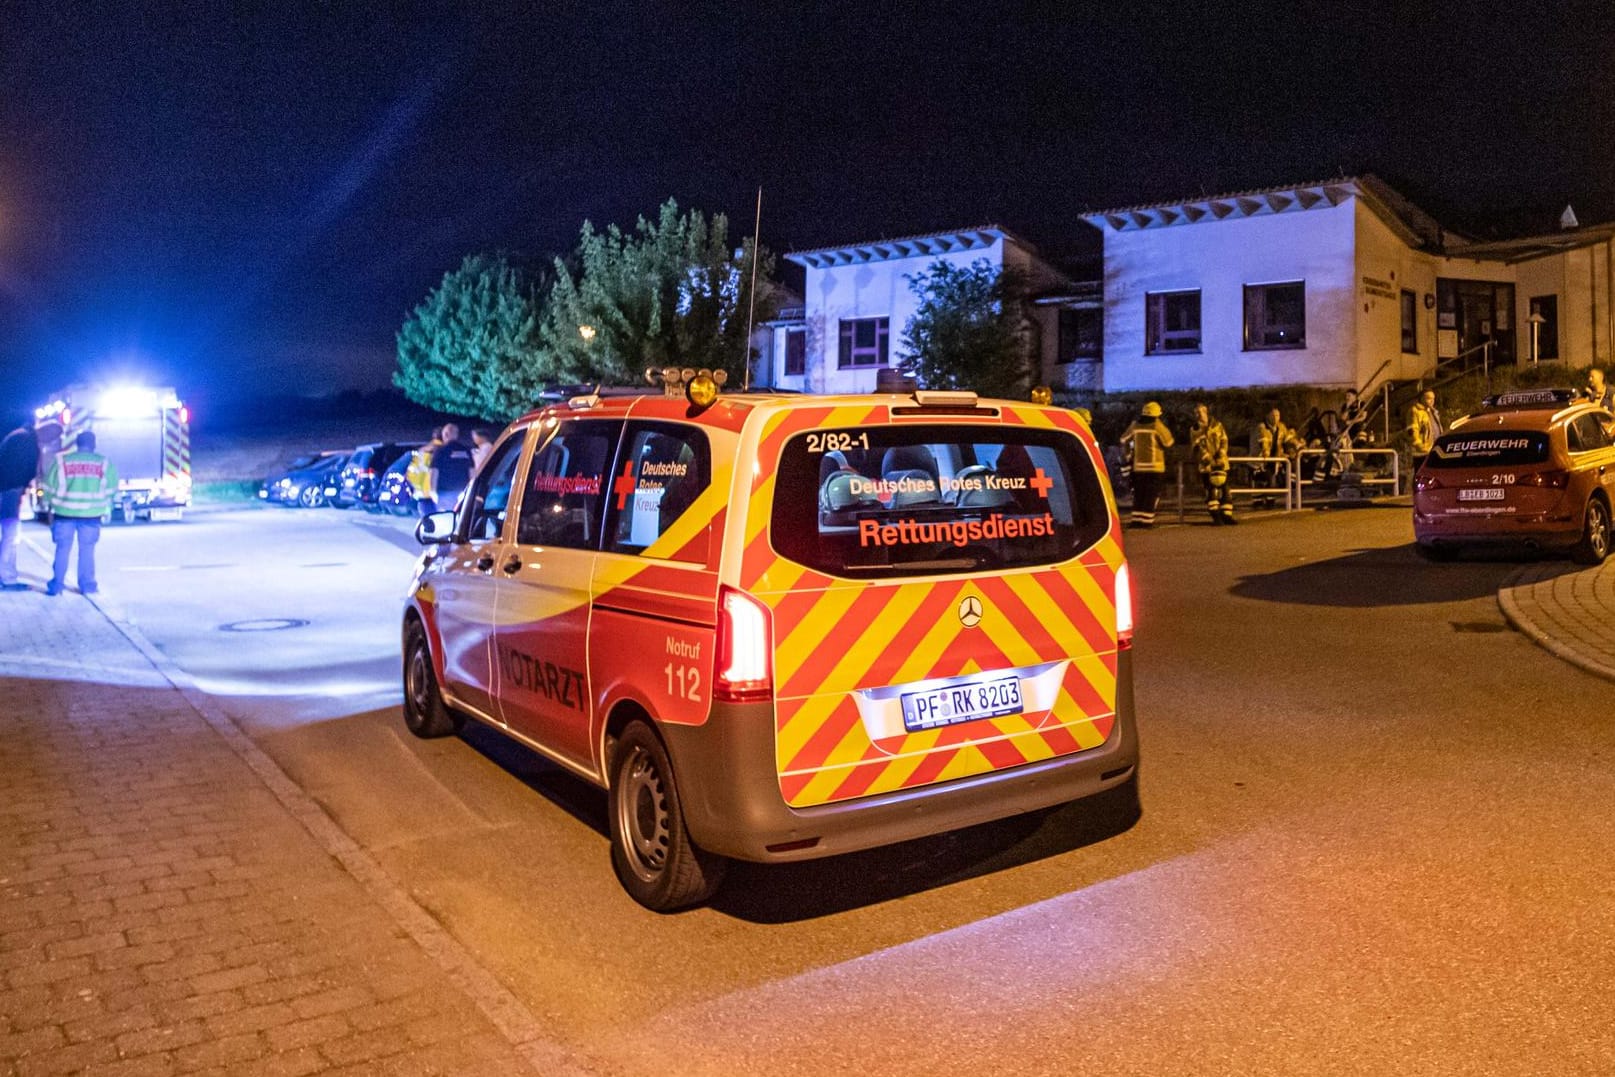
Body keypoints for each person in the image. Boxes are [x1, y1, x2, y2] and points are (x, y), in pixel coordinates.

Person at [42, 429, 118, 597]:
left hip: (64, 513)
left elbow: (48, 487)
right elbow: (112, 489)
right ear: (94, 444)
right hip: (91, 515)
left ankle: (57, 585)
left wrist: (49, 506)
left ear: (77, 444)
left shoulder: (61, 461)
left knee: (62, 549)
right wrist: (104, 505)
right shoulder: (104, 463)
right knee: (87, 550)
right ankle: (87, 585)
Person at [1119, 401, 1173, 528]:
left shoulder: (1135, 426)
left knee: (1139, 494)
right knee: (1151, 494)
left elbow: (1123, 440)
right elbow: (1168, 442)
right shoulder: (1157, 426)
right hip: (1155, 467)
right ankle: (1147, 521)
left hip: (1138, 467)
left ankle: (1136, 520)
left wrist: (1128, 455)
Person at [0, 424, 40, 592]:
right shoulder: (26, 441)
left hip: (8, 489)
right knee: (11, 536)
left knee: (9, 536)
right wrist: (27, 482)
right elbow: (25, 467)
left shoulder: (17, 437)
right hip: (11, 490)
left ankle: (7, 575)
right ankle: (7, 577)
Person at [1189, 403, 1235, 525]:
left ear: (1206, 412)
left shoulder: (1217, 425)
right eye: (1196, 413)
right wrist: (1209, 460)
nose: (1198, 415)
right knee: (1211, 491)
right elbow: (1197, 447)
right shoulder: (1194, 429)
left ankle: (1227, 516)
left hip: (1222, 463)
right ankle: (1216, 516)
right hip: (1207, 466)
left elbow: (1224, 440)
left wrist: (1221, 454)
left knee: (1226, 490)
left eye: (1200, 412)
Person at [1251, 407, 1298, 506]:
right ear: (1268, 416)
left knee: (1271, 478)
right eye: (1273, 415)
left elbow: (1288, 438)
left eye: (1277, 415)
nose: (1276, 418)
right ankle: (1257, 501)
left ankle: (1270, 500)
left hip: (1274, 458)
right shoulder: (1262, 427)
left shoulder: (1281, 427)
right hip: (1260, 458)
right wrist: (1266, 452)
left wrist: (1297, 445)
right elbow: (1264, 440)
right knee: (1259, 479)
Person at [429, 423, 476, 514]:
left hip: (444, 492)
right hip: (463, 492)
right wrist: (471, 490)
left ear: (445, 434)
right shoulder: (466, 450)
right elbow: (472, 472)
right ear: (456, 434)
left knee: (446, 519)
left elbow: (434, 472)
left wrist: (432, 491)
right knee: (462, 517)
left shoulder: (440, 451)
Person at [407, 427, 443, 515]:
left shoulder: (422, 451)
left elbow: (410, 475)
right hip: (440, 495)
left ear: (434, 436)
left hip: (422, 496)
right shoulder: (444, 451)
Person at [1408, 389, 1443, 471]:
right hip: (1422, 453)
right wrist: (1421, 447)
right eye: (1429, 398)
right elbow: (1412, 432)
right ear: (1422, 399)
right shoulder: (1415, 411)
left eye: (1433, 398)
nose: (1432, 401)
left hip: (1434, 450)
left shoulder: (1433, 412)